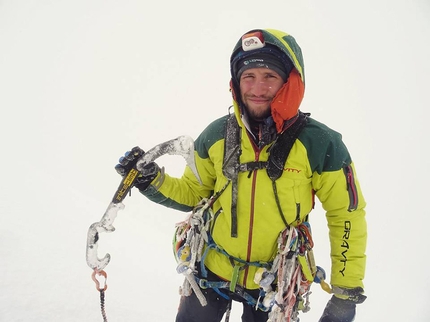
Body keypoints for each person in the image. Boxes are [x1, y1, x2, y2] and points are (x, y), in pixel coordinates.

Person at [115, 28, 367, 322]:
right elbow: (194, 193)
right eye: (249, 76)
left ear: (290, 83)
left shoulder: (320, 144)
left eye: (269, 77)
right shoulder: (217, 135)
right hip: (211, 271)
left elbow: (346, 215)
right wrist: (150, 179)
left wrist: (345, 293)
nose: (257, 88)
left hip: (276, 284)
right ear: (236, 82)